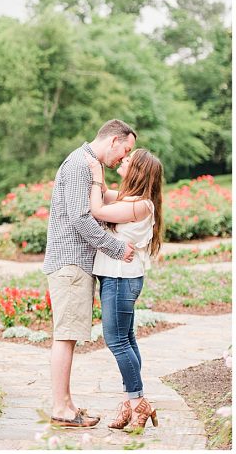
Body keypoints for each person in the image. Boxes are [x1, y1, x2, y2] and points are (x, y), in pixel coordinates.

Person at [43, 119, 137, 428]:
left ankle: (67, 403)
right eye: (125, 150)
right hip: (69, 264)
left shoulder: (87, 167)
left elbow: (99, 205)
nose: (123, 158)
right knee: (66, 336)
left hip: (76, 265)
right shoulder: (78, 165)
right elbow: (81, 219)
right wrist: (116, 248)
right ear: (112, 141)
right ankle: (60, 408)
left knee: (69, 336)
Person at [85, 147, 164, 431]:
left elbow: (97, 209)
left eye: (128, 160)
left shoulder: (141, 205)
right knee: (127, 340)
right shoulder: (130, 198)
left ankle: (138, 402)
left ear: (138, 171)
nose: (123, 159)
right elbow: (105, 195)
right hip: (116, 276)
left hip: (121, 278)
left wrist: (95, 175)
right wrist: (100, 173)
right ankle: (130, 402)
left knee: (117, 341)